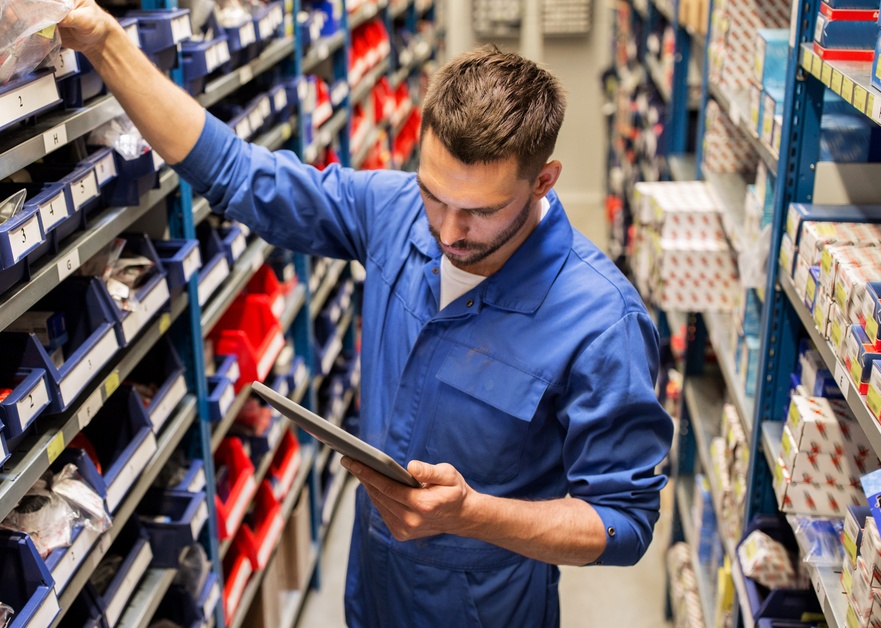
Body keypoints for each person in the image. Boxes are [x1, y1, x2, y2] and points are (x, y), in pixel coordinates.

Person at [59, 4, 673, 626]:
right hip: (375, 590)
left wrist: (473, 514)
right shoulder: (395, 211)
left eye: (480, 210)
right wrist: (106, 40)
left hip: (487, 611)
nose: (448, 231)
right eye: (434, 193)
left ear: (543, 181)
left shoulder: (601, 320)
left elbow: (624, 521)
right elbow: (236, 172)